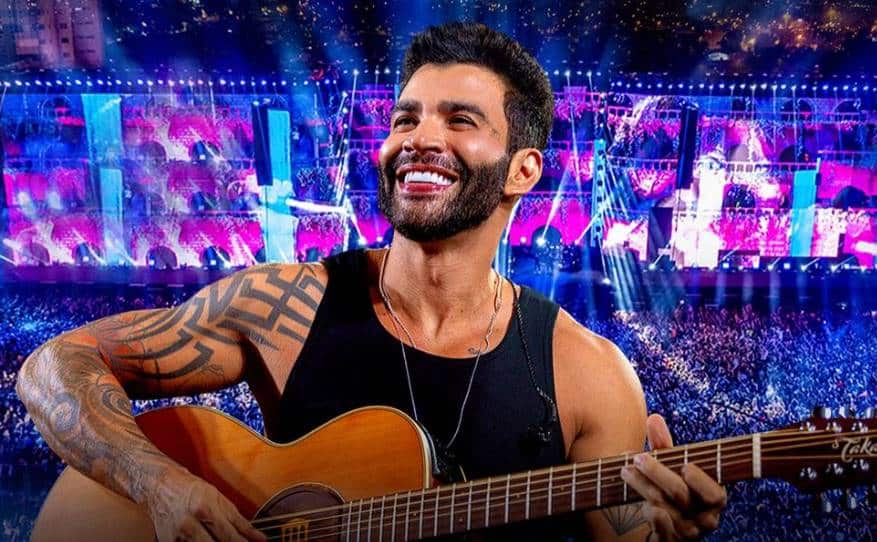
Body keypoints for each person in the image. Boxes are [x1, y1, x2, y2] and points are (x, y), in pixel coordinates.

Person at [16, 23, 725, 541]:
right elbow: (56, 366)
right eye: (405, 118)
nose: (418, 138)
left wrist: (672, 532)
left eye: (460, 120)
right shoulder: (286, 307)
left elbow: (630, 533)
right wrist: (162, 485)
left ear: (523, 169)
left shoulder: (587, 374)